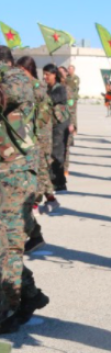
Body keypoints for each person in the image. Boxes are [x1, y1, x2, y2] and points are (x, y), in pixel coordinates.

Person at [0, 47, 49, 334]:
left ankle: (9, 309)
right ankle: (30, 295)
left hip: (16, 176)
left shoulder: (17, 77)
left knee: (8, 247)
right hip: (6, 172)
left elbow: (10, 94)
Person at [15, 57, 52, 252]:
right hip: (21, 142)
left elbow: (41, 117)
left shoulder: (35, 87)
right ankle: (33, 235)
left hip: (30, 142)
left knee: (17, 198)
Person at [43, 64, 70, 192]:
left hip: (60, 123)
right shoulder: (47, 87)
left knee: (57, 153)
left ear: (54, 75)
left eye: (47, 74)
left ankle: (59, 183)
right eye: (44, 74)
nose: (45, 77)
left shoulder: (60, 88)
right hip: (52, 123)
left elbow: (53, 99)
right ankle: (54, 180)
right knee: (51, 152)